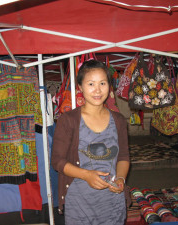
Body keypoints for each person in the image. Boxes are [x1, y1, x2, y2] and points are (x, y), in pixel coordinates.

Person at [51, 59, 130, 225]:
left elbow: (123, 156)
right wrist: (87, 175)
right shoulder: (68, 120)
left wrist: (121, 178)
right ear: (80, 87)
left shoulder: (118, 120)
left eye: (102, 83)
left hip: (113, 201)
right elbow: (57, 161)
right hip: (80, 203)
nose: (97, 90)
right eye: (91, 84)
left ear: (110, 86)